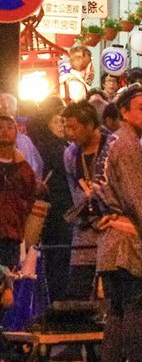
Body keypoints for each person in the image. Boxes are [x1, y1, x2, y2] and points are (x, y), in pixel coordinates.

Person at [96, 85, 142, 362]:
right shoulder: (129, 146)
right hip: (129, 240)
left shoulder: (113, 143)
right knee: (134, 310)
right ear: (123, 111)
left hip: (110, 239)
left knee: (116, 312)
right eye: (141, 108)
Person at [63, 100, 113, 300]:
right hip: (84, 225)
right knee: (79, 285)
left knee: (109, 288)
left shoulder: (112, 146)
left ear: (91, 124)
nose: (68, 133)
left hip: (111, 224)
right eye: (65, 127)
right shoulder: (70, 153)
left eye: (73, 127)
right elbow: (74, 188)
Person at [27, 97, 72, 302]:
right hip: (55, 211)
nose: (62, 125)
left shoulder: (63, 145)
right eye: (57, 120)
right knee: (57, 258)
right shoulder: (50, 147)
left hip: (63, 210)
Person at [0, 115, 38, 269]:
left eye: (10, 127)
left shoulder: (24, 168)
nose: (4, 131)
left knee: (9, 281)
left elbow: (30, 197)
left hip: (12, 233)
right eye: (0, 127)